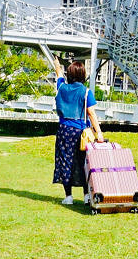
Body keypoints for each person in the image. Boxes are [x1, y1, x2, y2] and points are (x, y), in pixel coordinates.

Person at [52, 57, 104, 205]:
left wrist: (57, 65)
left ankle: (68, 196)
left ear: (69, 74)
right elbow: (92, 114)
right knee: (83, 163)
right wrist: (98, 134)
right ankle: (87, 195)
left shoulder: (62, 88)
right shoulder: (86, 92)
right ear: (83, 75)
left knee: (65, 161)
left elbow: (59, 76)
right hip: (81, 133)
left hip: (63, 131)